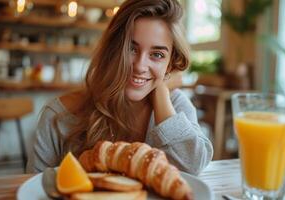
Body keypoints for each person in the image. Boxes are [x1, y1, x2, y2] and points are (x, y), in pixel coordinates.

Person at [27, 0, 213, 175]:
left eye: (157, 55)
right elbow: (34, 188)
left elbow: (193, 166)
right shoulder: (58, 116)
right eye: (131, 49)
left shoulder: (175, 104)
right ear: (112, 50)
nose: (140, 66)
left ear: (170, 64)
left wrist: (161, 90)